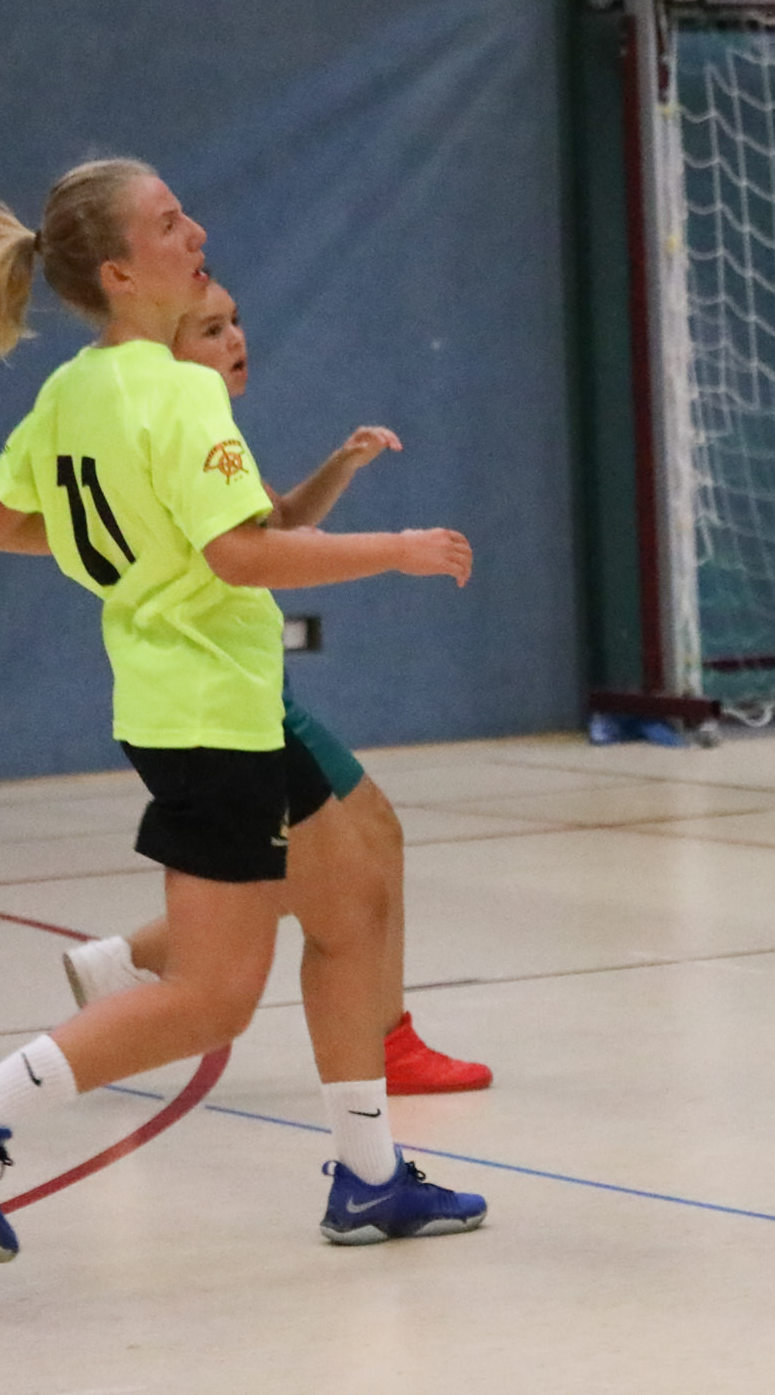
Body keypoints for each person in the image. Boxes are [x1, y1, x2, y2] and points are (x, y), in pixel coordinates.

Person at [0, 160, 488, 1261]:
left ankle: (367, 1179)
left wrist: (132, 561)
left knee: (350, 905)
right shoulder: (176, 390)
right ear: (121, 273)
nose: (196, 231)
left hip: (210, 701)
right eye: (169, 224)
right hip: (208, 715)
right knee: (212, 998)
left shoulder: (74, 388)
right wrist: (396, 549)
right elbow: (242, 553)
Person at [55, 281, 492, 1096]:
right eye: (211, 329)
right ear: (169, 351)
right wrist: (397, 548)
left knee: (348, 852)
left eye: (236, 322)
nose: (234, 338)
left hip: (245, 690)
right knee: (333, 868)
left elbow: (277, 518)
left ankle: (128, 963)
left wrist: (341, 464)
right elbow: (255, 555)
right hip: (228, 699)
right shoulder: (178, 426)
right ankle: (377, 1044)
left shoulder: (205, 431)